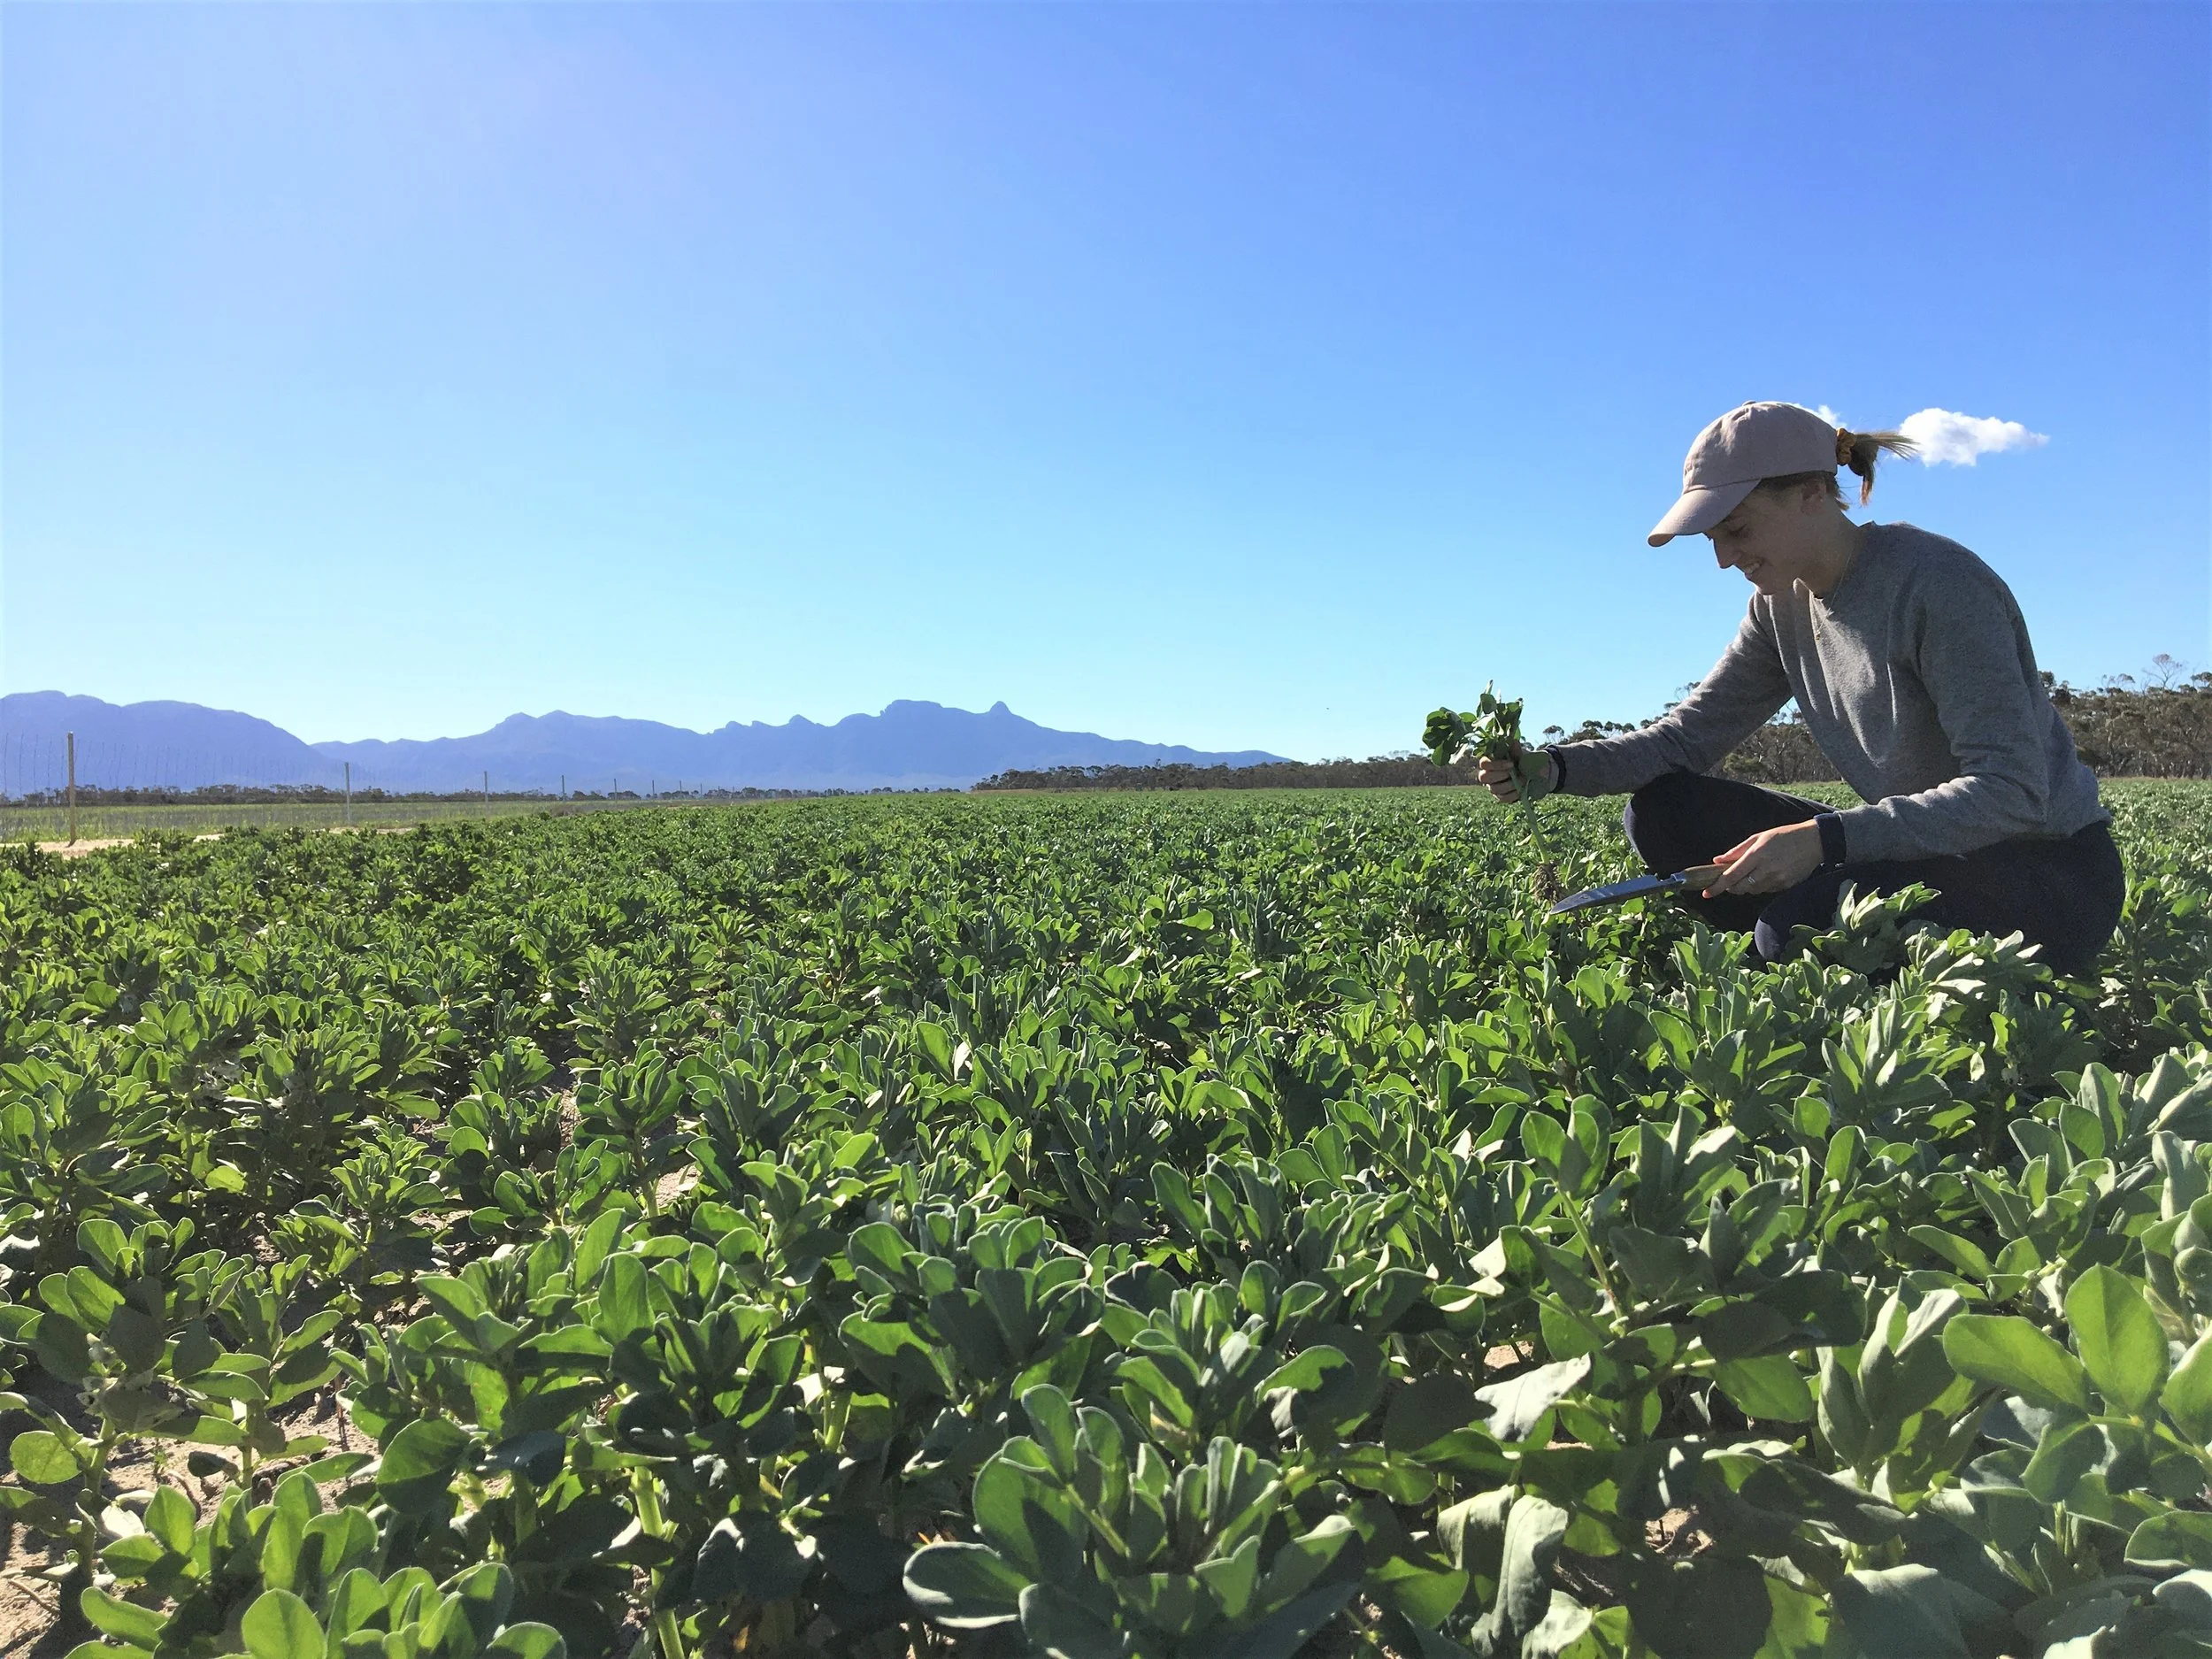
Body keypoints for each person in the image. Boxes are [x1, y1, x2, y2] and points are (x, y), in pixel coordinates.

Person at [1477, 400, 2124, 976]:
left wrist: (1825, 841)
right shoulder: (1778, 607)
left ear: (1813, 492)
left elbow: (2012, 793)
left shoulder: (1938, 584)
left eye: (1738, 529)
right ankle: (1787, 938)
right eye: (1713, 539)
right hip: (1924, 854)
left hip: (2047, 874)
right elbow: (1684, 739)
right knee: (1664, 812)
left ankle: (1785, 940)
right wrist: (1554, 768)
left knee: (1793, 933)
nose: (1723, 559)